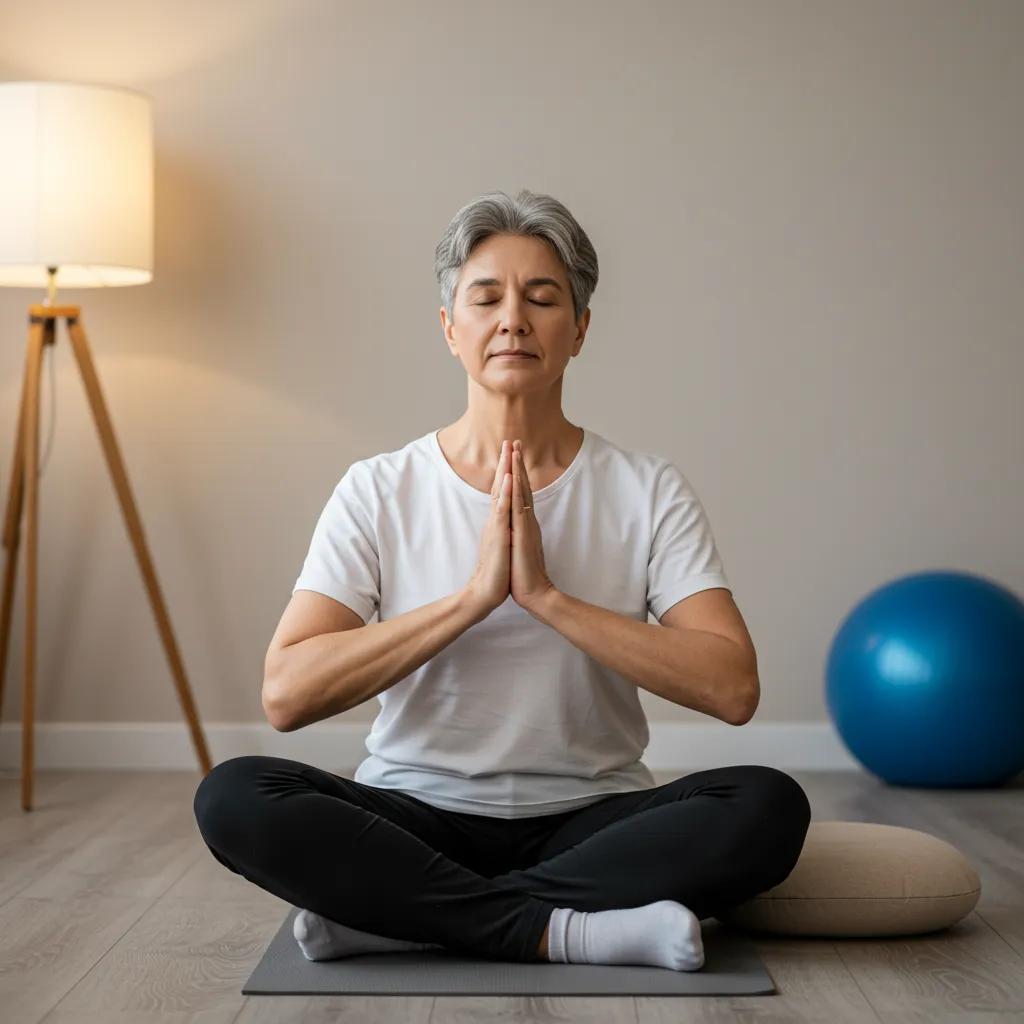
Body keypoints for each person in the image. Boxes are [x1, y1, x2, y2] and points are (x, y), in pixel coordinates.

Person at [193, 189, 811, 971]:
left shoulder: (647, 488)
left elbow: (732, 688)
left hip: (590, 817)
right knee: (234, 796)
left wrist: (550, 600)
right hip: (415, 815)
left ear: (580, 328)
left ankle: (403, 915)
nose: (512, 319)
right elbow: (286, 695)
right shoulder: (378, 487)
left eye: (543, 298)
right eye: (485, 298)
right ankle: (567, 929)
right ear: (451, 329)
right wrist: (471, 601)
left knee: (767, 806)